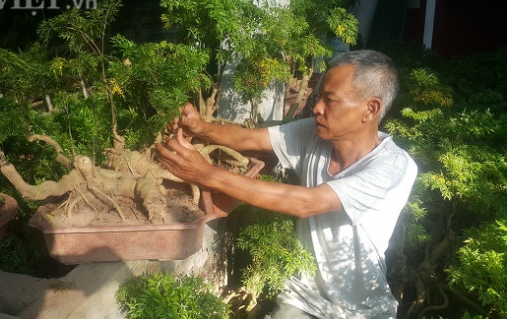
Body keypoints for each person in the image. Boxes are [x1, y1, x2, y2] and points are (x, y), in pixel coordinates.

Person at [154, 50, 418, 319]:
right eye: (319, 97)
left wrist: (207, 174)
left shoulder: (393, 167)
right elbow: (249, 139)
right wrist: (201, 128)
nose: (317, 107)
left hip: (364, 310)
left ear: (370, 109)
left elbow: (308, 203)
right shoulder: (313, 134)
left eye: (331, 99)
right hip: (304, 298)